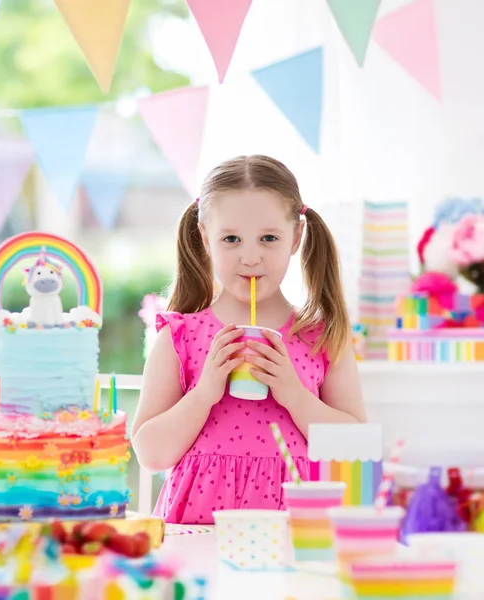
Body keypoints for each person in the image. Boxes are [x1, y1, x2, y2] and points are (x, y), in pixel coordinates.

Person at [131, 155, 366, 524]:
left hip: (295, 527)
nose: (251, 257)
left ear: (296, 238)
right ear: (206, 238)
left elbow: (354, 448)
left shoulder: (321, 337)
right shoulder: (180, 337)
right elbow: (150, 454)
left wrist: (294, 395)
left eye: (269, 238)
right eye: (231, 239)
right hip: (198, 524)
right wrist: (204, 392)